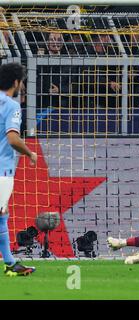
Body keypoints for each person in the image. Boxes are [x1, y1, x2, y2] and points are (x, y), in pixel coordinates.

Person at [0, 63, 37, 276]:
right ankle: (10, 264)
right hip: (2, 172)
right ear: (16, 82)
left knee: (2, 215)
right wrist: (29, 153)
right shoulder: (11, 106)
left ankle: (10, 264)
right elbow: (13, 138)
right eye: (21, 82)